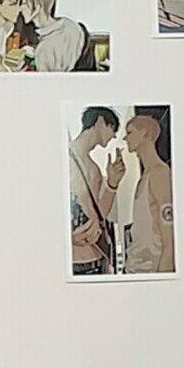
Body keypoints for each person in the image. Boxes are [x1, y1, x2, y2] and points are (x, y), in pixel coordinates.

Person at [69, 105, 124, 273]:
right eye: (112, 127)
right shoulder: (64, 158)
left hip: (96, 258)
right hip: (73, 261)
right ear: (100, 122)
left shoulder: (94, 169)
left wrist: (112, 183)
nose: (114, 136)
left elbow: (100, 214)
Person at [123, 112, 175, 273]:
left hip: (151, 269)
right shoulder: (145, 177)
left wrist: (163, 278)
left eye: (130, 132)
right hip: (136, 268)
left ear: (144, 134)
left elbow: (169, 238)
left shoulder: (160, 174)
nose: (125, 138)